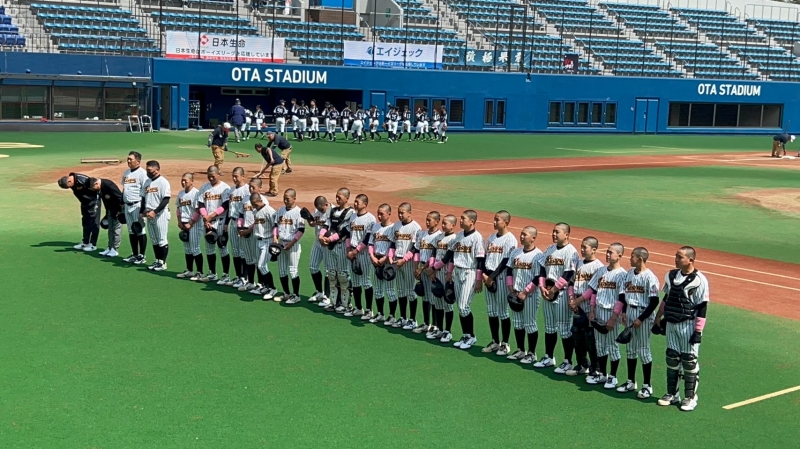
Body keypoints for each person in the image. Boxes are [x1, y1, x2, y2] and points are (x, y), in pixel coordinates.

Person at [655, 246, 709, 412]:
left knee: (689, 360)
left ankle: (690, 397)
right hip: (671, 324)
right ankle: (672, 394)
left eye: (680, 257)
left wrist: (698, 331)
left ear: (690, 260)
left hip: (688, 325)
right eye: (676, 256)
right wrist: (658, 317)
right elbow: (667, 298)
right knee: (672, 358)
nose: (676, 259)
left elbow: (702, 307)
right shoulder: (671, 276)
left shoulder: (699, 280)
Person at [534, 222, 579, 371]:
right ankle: (549, 357)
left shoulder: (571, 251)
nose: (554, 234)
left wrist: (554, 289)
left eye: (557, 232)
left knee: (564, 328)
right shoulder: (550, 249)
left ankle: (568, 361)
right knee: (549, 327)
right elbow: (542, 268)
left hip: (562, 294)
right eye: (553, 231)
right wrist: (542, 286)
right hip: (548, 292)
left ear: (566, 235)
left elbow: (569, 273)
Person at [617, 247, 660, 398]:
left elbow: (654, 302)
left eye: (632, 256)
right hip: (630, 312)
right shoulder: (629, 273)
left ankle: (647, 386)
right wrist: (623, 312)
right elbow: (623, 295)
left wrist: (641, 319)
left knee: (643, 350)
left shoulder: (650, 277)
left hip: (643, 315)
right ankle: (630, 382)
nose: (630, 259)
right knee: (630, 350)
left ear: (640, 259)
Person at [585, 243, 628, 388]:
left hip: (611, 313)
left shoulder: (623, 275)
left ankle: (613, 377)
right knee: (600, 345)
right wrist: (592, 310)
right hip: (599, 311)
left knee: (612, 345)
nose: (607, 255)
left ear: (619, 256)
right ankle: (603, 374)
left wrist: (614, 318)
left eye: (611, 252)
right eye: (607, 252)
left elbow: (622, 298)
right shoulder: (601, 271)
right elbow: (594, 292)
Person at [444, 210, 485, 350]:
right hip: (457, 272)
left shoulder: (477, 238)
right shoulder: (459, 236)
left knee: (463, 306)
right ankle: (466, 335)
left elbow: (480, 260)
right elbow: (451, 254)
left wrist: (478, 280)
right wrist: (449, 272)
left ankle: (471, 336)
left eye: (463, 218)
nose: (460, 220)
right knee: (460, 307)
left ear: (472, 221)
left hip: (470, 272)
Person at [481, 211, 518, 356]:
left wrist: (491, 277)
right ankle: (495, 341)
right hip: (488, 277)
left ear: (506, 222)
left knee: (502, 312)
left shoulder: (510, 240)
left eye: (497, 220)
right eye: (494, 219)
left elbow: (505, 262)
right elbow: (485, 257)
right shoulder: (491, 238)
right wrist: (485, 275)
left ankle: (505, 344)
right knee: (491, 311)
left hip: (501, 278)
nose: (494, 222)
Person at [505, 226, 544, 363]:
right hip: (516, 293)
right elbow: (509, 270)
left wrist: (525, 291)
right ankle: (521, 350)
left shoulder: (538, 255)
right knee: (517, 323)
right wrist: (510, 287)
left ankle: (532, 353)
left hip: (530, 295)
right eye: (521, 234)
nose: (521, 237)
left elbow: (538, 277)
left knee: (530, 324)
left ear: (533, 238)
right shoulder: (515, 252)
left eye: (525, 235)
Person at [566, 237, 604, 377]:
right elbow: (571, 282)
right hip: (576, 303)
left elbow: (593, 289)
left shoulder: (599, 267)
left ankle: (595, 368)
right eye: (581, 247)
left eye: (585, 247)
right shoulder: (578, 263)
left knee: (590, 338)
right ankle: (582, 365)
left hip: (589, 305)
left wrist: (577, 301)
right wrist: (571, 298)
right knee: (577, 335)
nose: (582, 249)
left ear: (594, 249)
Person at [319, 188, 354, 313]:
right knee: (331, 274)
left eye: (340, 197)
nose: (337, 199)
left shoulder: (351, 213)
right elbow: (325, 225)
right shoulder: (331, 211)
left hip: (341, 245)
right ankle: (334, 302)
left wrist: (329, 239)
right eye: (336, 196)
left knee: (343, 275)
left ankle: (345, 304)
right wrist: (321, 236)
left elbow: (345, 231)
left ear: (347, 198)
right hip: (330, 246)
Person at [197, 166, 231, 282]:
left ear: (218, 174)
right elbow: (201, 203)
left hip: (220, 221)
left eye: (213, 176)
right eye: (209, 176)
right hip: (208, 223)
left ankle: (226, 275)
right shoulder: (204, 187)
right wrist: (205, 218)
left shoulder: (225, 188)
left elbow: (225, 205)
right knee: (209, 249)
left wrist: (211, 216)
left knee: (222, 248)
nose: (211, 178)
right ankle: (212, 273)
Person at [390, 203, 421, 328]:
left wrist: (404, 259)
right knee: (401, 291)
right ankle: (403, 318)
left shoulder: (415, 227)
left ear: (409, 213)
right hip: (396, 262)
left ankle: (413, 320)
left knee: (410, 292)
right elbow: (393, 243)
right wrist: (390, 256)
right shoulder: (396, 225)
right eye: (399, 212)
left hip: (408, 263)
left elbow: (415, 248)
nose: (400, 215)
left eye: (402, 212)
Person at [427, 214, 458, 342]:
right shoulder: (439, 237)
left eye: (446, 223)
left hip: (447, 274)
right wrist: (432, 269)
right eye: (443, 223)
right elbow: (433, 253)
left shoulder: (454, 239)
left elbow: (448, 258)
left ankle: (447, 331)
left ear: (453, 225)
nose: (443, 225)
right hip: (436, 272)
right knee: (438, 302)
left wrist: (433, 268)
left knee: (447, 303)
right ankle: (439, 329)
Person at [272, 189, 305, 304]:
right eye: (284, 198)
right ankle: (286, 293)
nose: (285, 201)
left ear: (294, 198)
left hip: (293, 244)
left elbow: (301, 230)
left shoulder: (299, 212)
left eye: (288, 199)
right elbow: (276, 225)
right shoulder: (280, 210)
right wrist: (275, 237)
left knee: (293, 270)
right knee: (281, 270)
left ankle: (296, 295)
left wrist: (291, 243)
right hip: (281, 243)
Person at [346, 194, 376, 318]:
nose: (355, 204)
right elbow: (348, 234)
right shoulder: (352, 216)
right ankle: (358, 308)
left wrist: (355, 251)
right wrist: (349, 249)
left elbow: (368, 239)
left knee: (365, 281)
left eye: (357, 202)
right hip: (352, 252)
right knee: (355, 282)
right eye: (355, 201)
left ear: (365, 204)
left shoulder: (371, 219)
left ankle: (369, 310)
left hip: (362, 253)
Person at [413, 211, 442, 335]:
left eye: (430, 220)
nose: (427, 221)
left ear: (437, 221)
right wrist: (416, 268)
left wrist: (423, 268)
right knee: (425, 297)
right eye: (426, 219)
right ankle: (426, 323)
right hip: (422, 268)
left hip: (432, 270)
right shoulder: (422, 234)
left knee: (433, 297)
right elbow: (417, 251)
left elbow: (434, 256)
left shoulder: (439, 236)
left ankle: (434, 325)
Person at [139, 160, 171, 271]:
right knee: (154, 239)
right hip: (149, 214)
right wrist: (142, 211)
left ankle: (163, 263)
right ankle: (157, 261)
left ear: (157, 170)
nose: (148, 172)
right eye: (147, 170)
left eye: (150, 170)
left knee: (162, 239)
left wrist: (155, 211)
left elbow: (166, 199)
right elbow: (143, 198)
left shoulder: (163, 182)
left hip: (160, 214)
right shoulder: (147, 182)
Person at [58, 172, 101, 252]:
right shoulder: (72, 182)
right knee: (85, 222)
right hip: (85, 203)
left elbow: (96, 186)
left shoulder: (83, 180)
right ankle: (85, 242)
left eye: (68, 187)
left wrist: (94, 201)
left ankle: (93, 244)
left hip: (94, 202)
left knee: (94, 222)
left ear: (69, 181)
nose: (69, 188)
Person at [368, 203, 396, 323]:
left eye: (381, 214)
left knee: (390, 290)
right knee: (378, 290)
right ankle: (380, 314)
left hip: (388, 262)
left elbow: (393, 245)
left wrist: (385, 258)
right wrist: (372, 256)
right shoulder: (376, 227)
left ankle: (392, 316)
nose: (379, 216)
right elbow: (370, 243)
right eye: (378, 214)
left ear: (389, 214)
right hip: (376, 260)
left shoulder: (393, 228)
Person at [174, 172, 204, 280]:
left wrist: (190, 223)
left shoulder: (196, 193)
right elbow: (178, 208)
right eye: (182, 180)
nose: (183, 182)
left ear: (191, 181)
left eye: (185, 181)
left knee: (195, 248)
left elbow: (198, 210)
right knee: (187, 249)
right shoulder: (181, 193)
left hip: (194, 224)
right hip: (184, 223)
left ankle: (200, 273)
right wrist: (179, 221)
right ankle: (189, 271)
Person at [225, 167, 252, 287]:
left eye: (236, 176)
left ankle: (245, 278)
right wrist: (226, 223)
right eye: (233, 176)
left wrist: (245, 227)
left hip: (243, 224)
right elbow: (229, 208)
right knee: (235, 251)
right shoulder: (231, 190)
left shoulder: (247, 190)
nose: (234, 178)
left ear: (243, 176)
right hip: (233, 222)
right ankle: (238, 276)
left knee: (243, 251)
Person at [121, 151, 148, 263]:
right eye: (128, 159)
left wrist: (142, 209)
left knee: (140, 230)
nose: (128, 161)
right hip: (127, 205)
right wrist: (122, 203)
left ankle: (142, 255)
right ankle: (135, 254)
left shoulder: (142, 174)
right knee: (131, 231)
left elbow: (146, 192)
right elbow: (124, 189)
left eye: (130, 159)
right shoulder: (126, 173)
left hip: (137, 205)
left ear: (138, 161)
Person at [88, 177, 124, 258]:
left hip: (117, 210)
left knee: (116, 230)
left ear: (96, 183)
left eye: (93, 188)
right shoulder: (100, 187)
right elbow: (106, 201)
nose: (93, 190)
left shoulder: (108, 185)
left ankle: (115, 249)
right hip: (110, 210)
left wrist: (119, 211)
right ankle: (110, 247)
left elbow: (119, 197)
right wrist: (107, 214)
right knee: (110, 229)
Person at [307, 196, 330, 304]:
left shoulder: (332, 212)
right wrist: (309, 219)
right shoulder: (317, 211)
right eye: (318, 209)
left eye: (321, 209)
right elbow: (313, 224)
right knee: (313, 266)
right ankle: (319, 291)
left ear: (326, 204)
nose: (320, 211)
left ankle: (327, 296)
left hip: (327, 244)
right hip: (317, 242)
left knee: (327, 270)